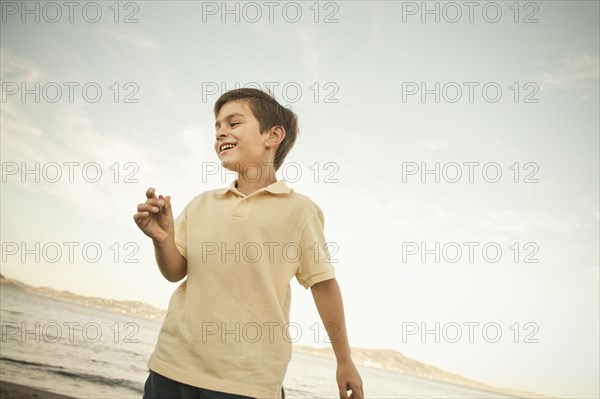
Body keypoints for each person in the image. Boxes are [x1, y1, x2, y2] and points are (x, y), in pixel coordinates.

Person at [133, 88, 363, 399]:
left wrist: (344, 360)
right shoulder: (202, 203)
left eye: (233, 123)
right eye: (217, 126)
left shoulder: (300, 210)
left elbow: (323, 285)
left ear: (272, 135)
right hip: (172, 366)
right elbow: (176, 271)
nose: (220, 133)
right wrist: (162, 240)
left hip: (247, 381)